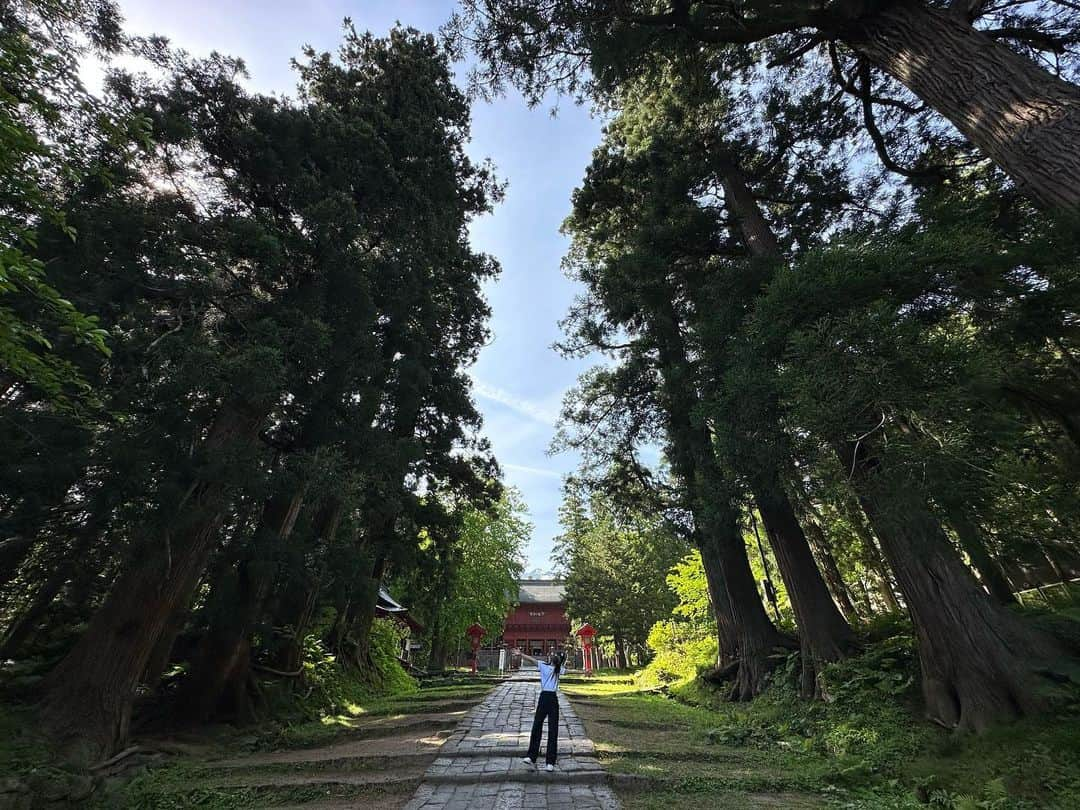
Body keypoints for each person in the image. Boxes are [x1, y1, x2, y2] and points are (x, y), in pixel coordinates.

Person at [518, 649, 564, 771]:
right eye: (553, 655)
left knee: (553, 729)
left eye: (556, 656)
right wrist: (521, 654)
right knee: (537, 725)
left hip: (553, 698)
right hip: (543, 697)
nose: (553, 656)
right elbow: (532, 660)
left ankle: (550, 761)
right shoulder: (543, 666)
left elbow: (567, 668)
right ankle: (531, 756)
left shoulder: (559, 670)